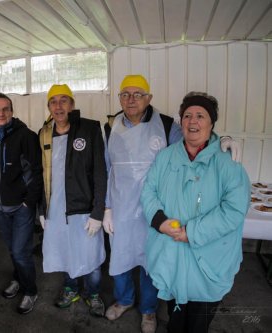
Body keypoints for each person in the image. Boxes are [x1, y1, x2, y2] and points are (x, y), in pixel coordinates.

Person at [103, 75, 242, 333]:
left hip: (158, 214)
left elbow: (198, 137)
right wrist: (106, 207)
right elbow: (106, 168)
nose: (131, 99)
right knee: (120, 258)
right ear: (119, 97)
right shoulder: (110, 126)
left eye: (138, 94)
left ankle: (148, 311)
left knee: (149, 261)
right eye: (125, 94)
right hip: (124, 207)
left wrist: (223, 139)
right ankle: (123, 300)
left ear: (149, 98)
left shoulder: (166, 125)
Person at [140, 91, 250, 333]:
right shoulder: (166, 157)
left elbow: (234, 209)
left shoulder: (228, 163)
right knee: (175, 319)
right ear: (181, 122)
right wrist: (160, 221)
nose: (193, 121)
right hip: (171, 258)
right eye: (187, 115)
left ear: (211, 123)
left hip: (209, 263)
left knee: (198, 323)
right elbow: (149, 191)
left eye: (201, 115)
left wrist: (192, 232)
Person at [39, 84, 107, 317]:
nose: (58, 106)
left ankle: (94, 293)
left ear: (72, 104)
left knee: (92, 255)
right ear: (49, 107)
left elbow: (100, 172)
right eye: (53, 101)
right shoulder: (45, 133)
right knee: (66, 251)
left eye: (63, 100)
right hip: (56, 208)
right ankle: (71, 289)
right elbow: (42, 174)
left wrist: (98, 211)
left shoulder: (89, 129)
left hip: (84, 208)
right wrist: (42, 208)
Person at [0, 93, 43, 314]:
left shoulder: (26, 136)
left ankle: (30, 290)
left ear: (12, 111)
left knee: (21, 252)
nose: (1, 113)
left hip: (21, 208)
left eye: (5, 109)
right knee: (12, 249)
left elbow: (37, 171)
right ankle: (18, 279)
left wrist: (29, 201)